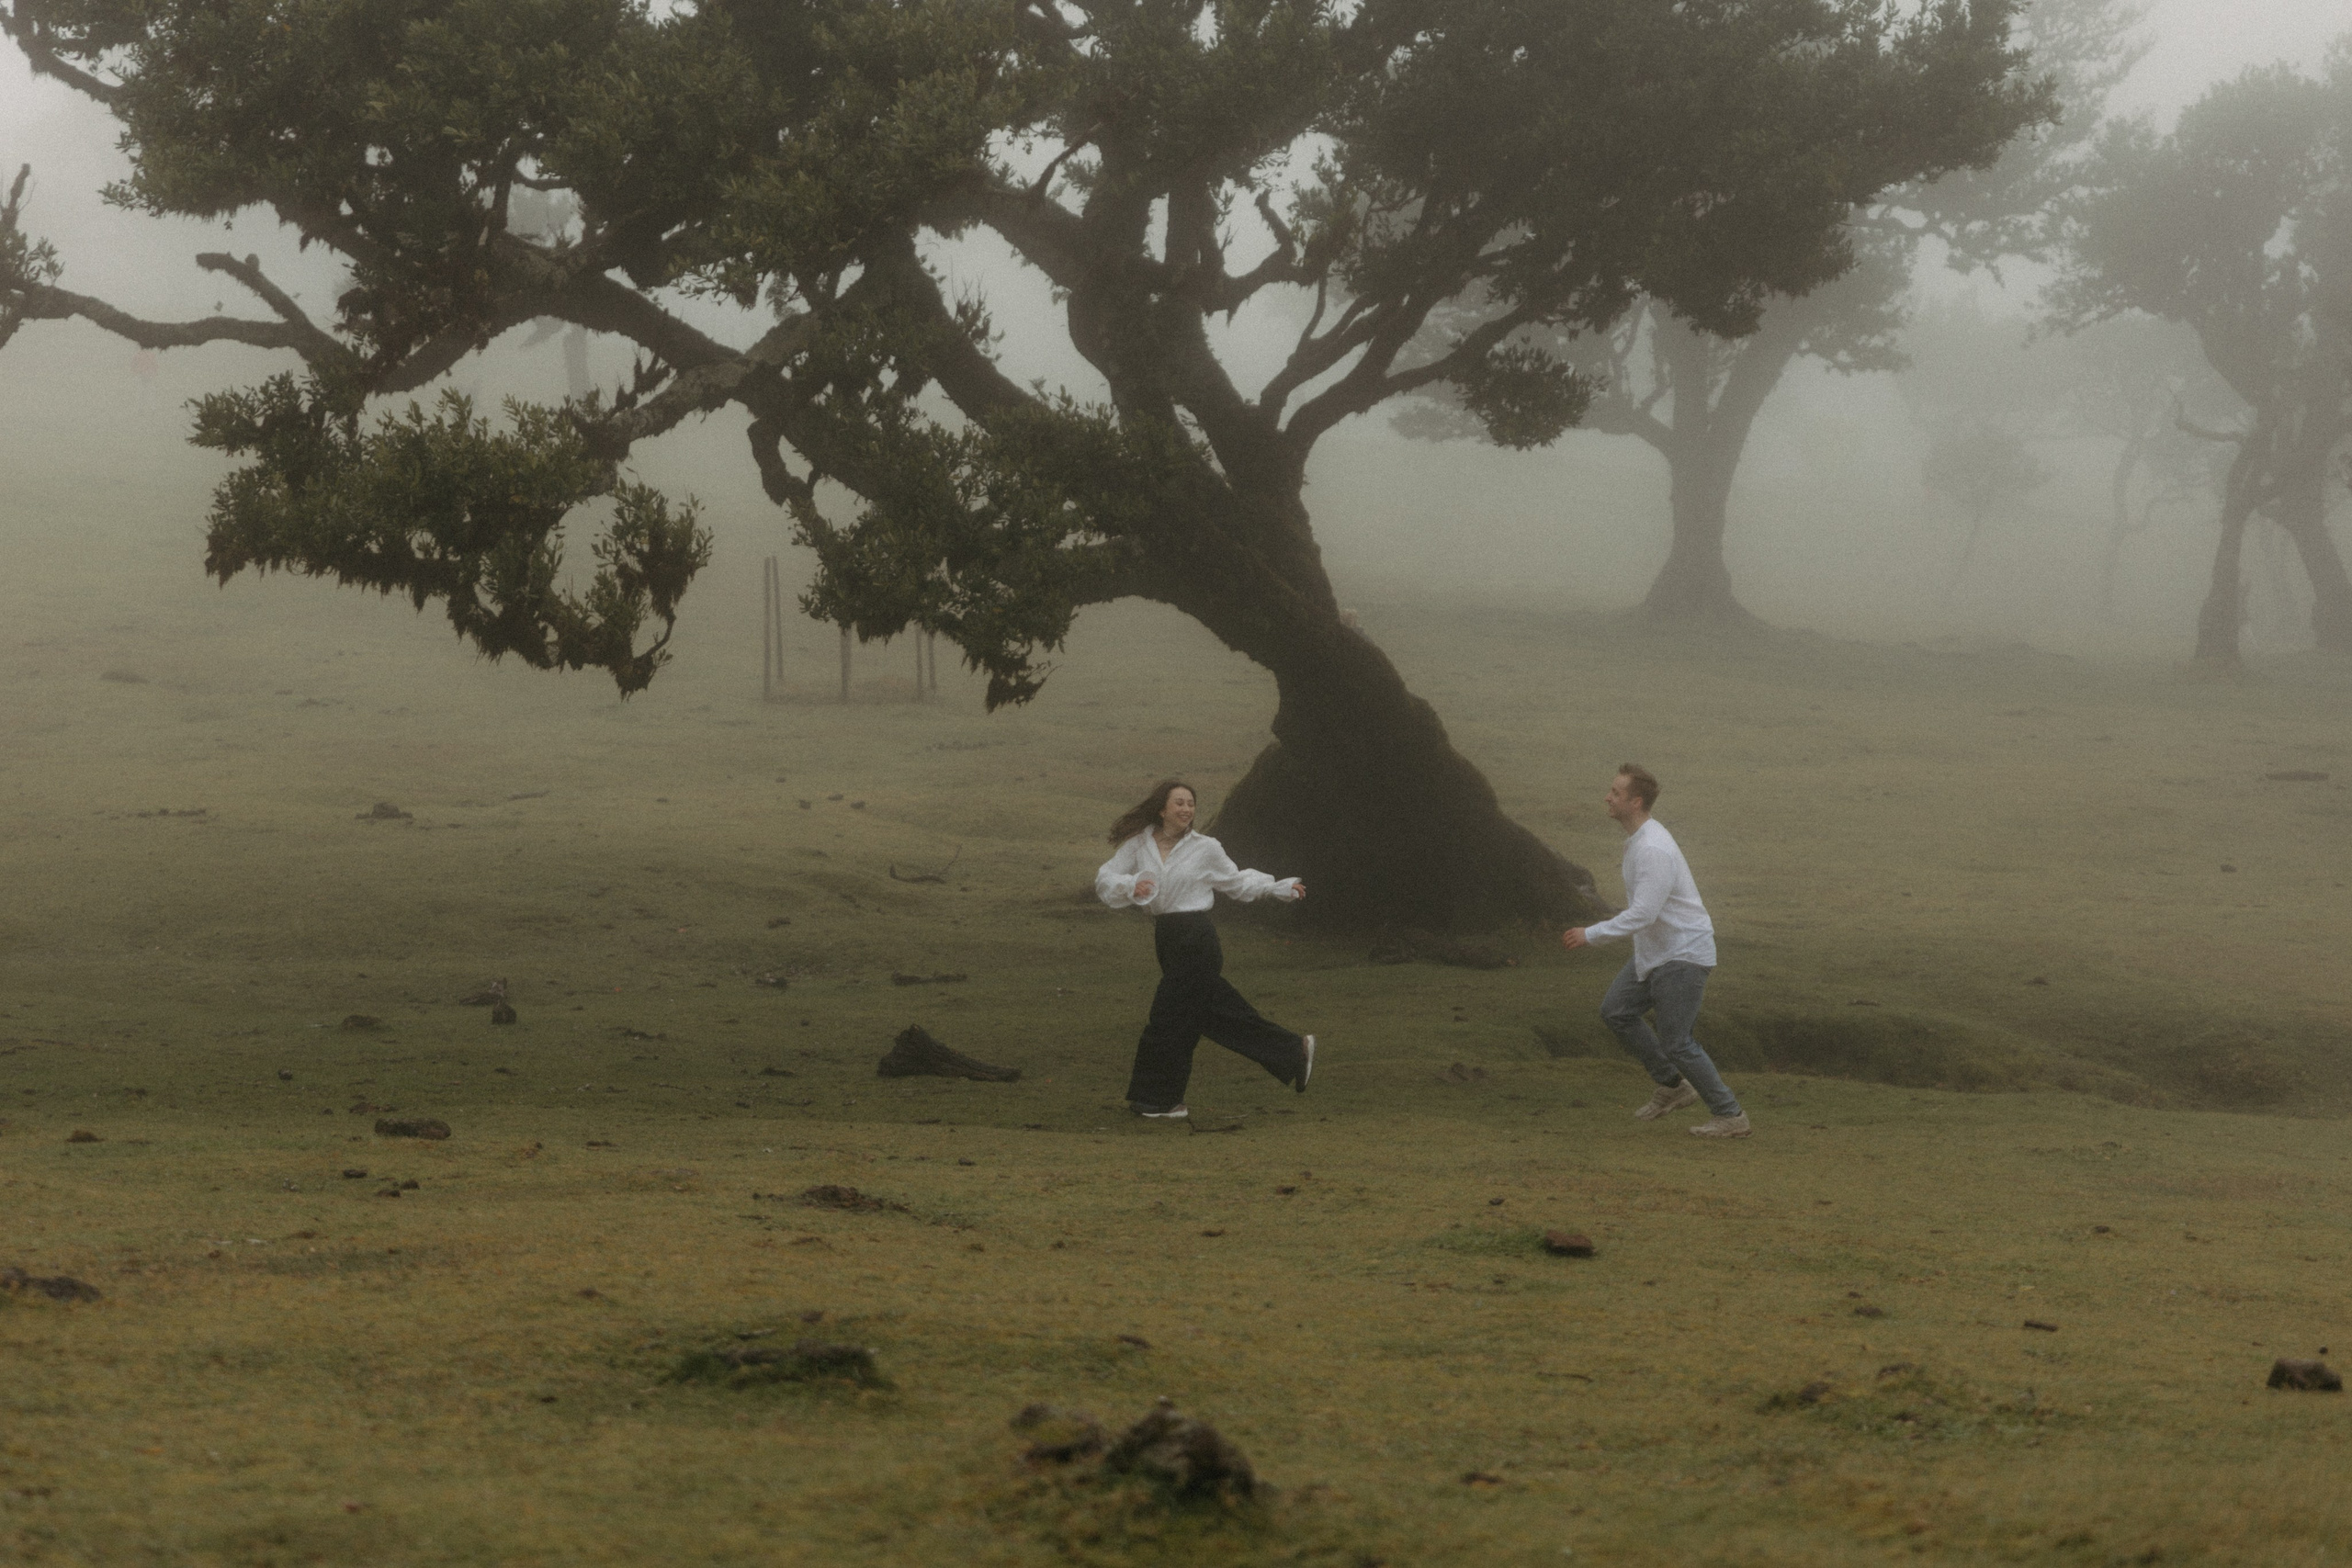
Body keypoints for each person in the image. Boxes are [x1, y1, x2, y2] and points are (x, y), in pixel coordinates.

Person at [1095, 780, 1315, 1121]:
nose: (1186, 809)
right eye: (1179, 803)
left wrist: (1276, 888)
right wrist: (1129, 885)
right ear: (1162, 809)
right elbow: (1106, 878)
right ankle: (1291, 1052)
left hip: (1197, 939)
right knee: (1207, 1012)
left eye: (1191, 804)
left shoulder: (1206, 847)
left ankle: (1156, 1101)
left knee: (1167, 1018)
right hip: (1167, 938)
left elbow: (1237, 882)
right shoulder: (1139, 844)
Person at [1562, 764, 1750, 1139]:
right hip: (1656, 952)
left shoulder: (1652, 849)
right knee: (1616, 1010)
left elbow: (1643, 913)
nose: (1607, 797)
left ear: (1636, 801)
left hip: (1683, 954)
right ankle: (1673, 1086)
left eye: (1615, 793)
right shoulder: (1640, 841)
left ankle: (1731, 1116)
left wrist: (1592, 934)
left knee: (1678, 1041)